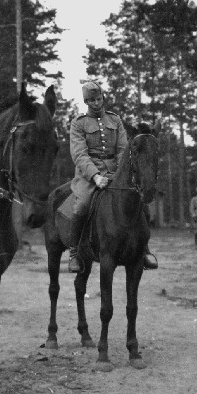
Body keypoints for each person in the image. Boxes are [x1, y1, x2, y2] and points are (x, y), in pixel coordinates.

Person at [68, 81, 157, 273]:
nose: (96, 103)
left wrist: (120, 174)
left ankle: (144, 249)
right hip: (88, 174)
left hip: (116, 172)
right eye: (91, 100)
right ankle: (75, 253)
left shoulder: (114, 120)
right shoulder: (79, 123)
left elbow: (123, 149)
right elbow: (79, 154)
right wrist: (95, 176)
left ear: (103, 98)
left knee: (140, 202)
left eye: (99, 98)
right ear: (86, 101)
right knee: (82, 205)